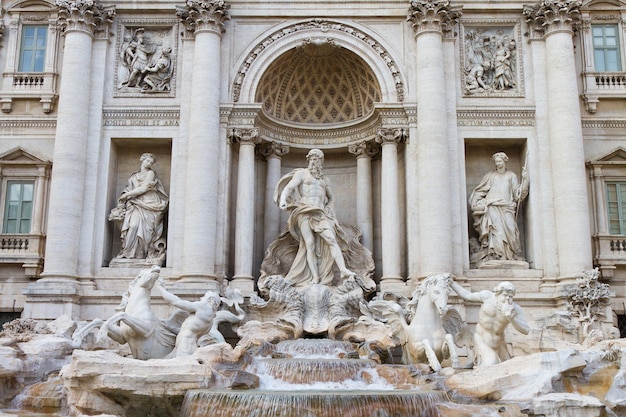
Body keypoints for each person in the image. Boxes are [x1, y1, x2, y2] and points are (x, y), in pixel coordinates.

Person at [274, 149, 355, 287]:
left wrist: (330, 209)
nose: (313, 161)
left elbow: (331, 198)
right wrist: (283, 200)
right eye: (311, 159)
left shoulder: (324, 180)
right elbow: (288, 188)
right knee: (309, 244)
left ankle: (343, 270)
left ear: (321, 162)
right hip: (304, 211)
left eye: (316, 159)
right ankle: (315, 277)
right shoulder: (302, 174)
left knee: (331, 239)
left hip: (320, 213)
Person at [449, 280, 529, 366]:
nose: (507, 299)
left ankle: (475, 360)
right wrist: (452, 283)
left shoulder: (515, 309)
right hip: (481, 339)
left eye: (510, 297)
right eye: (505, 295)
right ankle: (477, 356)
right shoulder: (487, 297)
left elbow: (526, 330)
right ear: (498, 294)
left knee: (507, 367)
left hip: (499, 344)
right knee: (490, 365)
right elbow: (467, 295)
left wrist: (511, 318)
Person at [469, 152, 528, 264]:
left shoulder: (511, 175)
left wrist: (525, 180)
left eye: (500, 161)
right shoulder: (491, 176)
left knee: (511, 229)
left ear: (505, 161)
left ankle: (511, 254)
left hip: (507, 207)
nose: (498, 164)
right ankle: (498, 255)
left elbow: (518, 194)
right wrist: (476, 201)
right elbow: (480, 191)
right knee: (496, 231)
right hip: (492, 206)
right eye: (496, 162)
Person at [109, 153, 169, 262]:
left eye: (151, 162)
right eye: (147, 161)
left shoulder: (151, 173)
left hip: (150, 204)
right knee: (133, 225)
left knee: (147, 231)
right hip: (135, 203)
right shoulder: (134, 176)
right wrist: (125, 196)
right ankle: (128, 252)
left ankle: (141, 254)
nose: (149, 163)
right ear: (142, 160)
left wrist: (126, 195)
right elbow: (128, 188)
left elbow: (143, 189)